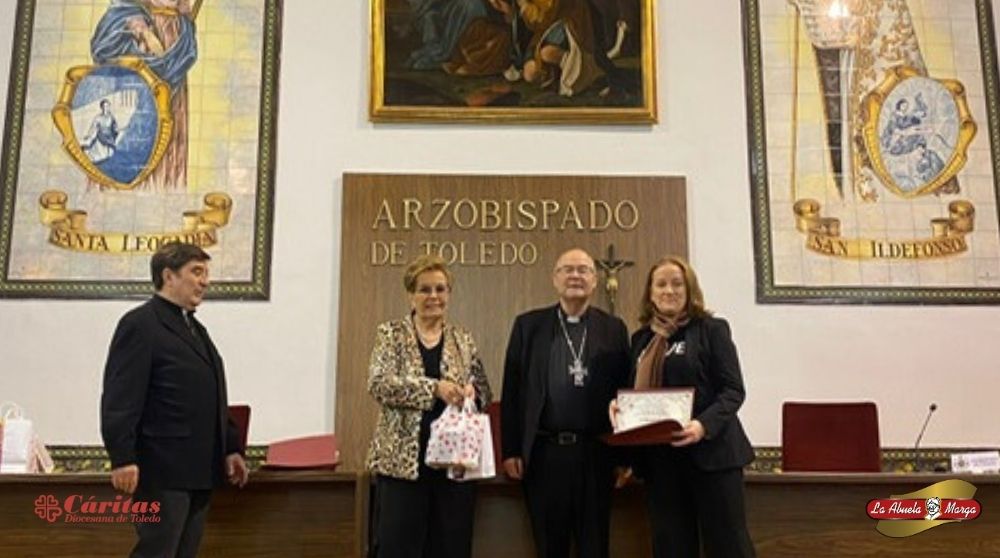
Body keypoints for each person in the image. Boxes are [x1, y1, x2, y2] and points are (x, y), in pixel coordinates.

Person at [101, 242, 248, 558]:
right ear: (168, 276)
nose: (205, 281)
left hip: (198, 468)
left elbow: (210, 395)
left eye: (206, 273)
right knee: (157, 552)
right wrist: (122, 456)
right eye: (196, 272)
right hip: (160, 471)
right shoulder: (140, 325)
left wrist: (231, 447)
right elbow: (120, 397)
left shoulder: (195, 329)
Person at [611, 255, 754, 558]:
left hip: (713, 458)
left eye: (677, 284)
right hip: (662, 465)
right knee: (671, 547)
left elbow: (733, 390)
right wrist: (619, 406)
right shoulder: (641, 340)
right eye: (660, 284)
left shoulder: (711, 330)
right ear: (650, 293)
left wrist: (702, 426)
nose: (669, 290)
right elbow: (634, 394)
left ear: (689, 290)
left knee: (728, 546)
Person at [500, 248, 629, 558]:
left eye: (583, 270)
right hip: (544, 455)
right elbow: (513, 391)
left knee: (594, 546)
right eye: (567, 269)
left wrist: (625, 455)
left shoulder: (613, 328)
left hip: (596, 453)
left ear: (595, 281)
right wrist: (512, 450)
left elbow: (625, 394)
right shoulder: (528, 326)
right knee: (549, 545)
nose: (575, 276)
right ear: (555, 279)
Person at [367, 254, 493, 558]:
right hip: (402, 469)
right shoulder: (391, 334)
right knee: (398, 548)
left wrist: (469, 393)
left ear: (449, 294)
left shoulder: (463, 338)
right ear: (411, 295)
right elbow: (379, 384)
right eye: (425, 289)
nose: (433, 297)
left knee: (451, 548)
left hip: (454, 466)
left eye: (440, 289)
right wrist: (434, 388)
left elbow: (486, 393)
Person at [90, 0, 198, 190]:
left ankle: (163, 189)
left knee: (167, 124)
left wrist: (183, 13)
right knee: (132, 121)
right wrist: (139, 26)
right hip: (142, 37)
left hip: (172, 39)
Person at [81, 99, 119, 163]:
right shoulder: (98, 118)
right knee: (98, 156)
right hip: (100, 138)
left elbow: (114, 127)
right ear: (101, 107)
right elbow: (93, 128)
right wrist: (89, 135)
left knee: (109, 154)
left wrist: (115, 131)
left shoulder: (111, 117)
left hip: (109, 138)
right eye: (104, 106)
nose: (106, 108)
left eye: (107, 106)